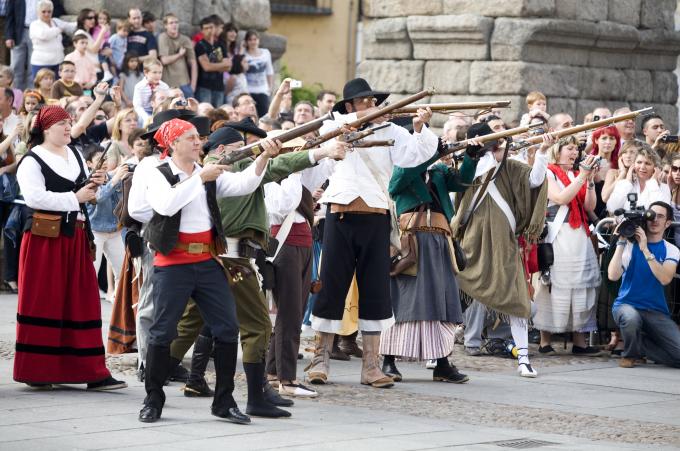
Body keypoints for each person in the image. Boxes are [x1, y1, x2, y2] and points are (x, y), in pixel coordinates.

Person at [137, 117, 280, 424]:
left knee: (227, 329)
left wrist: (264, 157)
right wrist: (201, 179)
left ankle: (224, 401)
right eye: (190, 138)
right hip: (173, 263)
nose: (198, 142)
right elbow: (165, 205)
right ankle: (153, 398)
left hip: (207, 260)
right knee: (163, 332)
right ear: (173, 144)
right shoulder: (158, 172)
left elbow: (245, 184)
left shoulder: (205, 173)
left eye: (197, 137)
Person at [305, 77, 438, 388]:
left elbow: (415, 156)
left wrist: (419, 126)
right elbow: (326, 144)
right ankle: (319, 359)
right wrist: (359, 122)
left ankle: (371, 367)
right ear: (350, 106)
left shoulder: (390, 130)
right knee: (331, 286)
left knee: (376, 289)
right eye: (364, 102)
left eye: (373, 101)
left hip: (376, 215)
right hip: (339, 215)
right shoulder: (335, 124)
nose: (372, 106)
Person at [13, 103, 126, 391]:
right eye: (62, 123)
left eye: (69, 122)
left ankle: (91, 370)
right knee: (45, 301)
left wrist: (95, 186)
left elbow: (83, 194)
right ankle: (38, 370)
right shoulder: (31, 160)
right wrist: (76, 197)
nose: (68, 127)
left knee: (82, 300)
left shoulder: (74, 153)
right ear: (46, 128)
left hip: (75, 235)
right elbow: (35, 198)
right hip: (44, 240)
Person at [450, 122, 556, 378]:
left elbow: (535, 181)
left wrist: (542, 151)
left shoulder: (509, 167)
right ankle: (437, 354)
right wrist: (486, 155)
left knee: (517, 299)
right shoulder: (469, 164)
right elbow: (467, 182)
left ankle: (523, 357)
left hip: (503, 243)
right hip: (472, 241)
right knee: (450, 295)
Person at [379, 142, 478, 383]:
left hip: (439, 240)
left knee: (441, 300)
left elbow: (462, 183)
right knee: (404, 299)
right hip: (410, 242)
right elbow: (395, 186)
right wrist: (432, 154)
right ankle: (388, 360)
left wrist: (471, 157)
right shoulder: (401, 167)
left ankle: (442, 363)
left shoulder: (439, 171)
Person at [533, 136, 602, 356]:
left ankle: (580, 341)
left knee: (580, 285)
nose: (574, 153)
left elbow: (590, 206)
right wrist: (582, 176)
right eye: (569, 148)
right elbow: (560, 198)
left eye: (575, 149)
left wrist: (589, 180)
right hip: (558, 235)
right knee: (553, 284)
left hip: (578, 235)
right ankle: (545, 341)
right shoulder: (549, 171)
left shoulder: (577, 173)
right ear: (558, 150)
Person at [608, 201, 680, 368]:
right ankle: (630, 355)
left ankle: (641, 345)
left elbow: (664, 278)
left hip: (655, 310)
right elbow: (613, 275)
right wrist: (621, 241)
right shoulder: (629, 245)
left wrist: (645, 249)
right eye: (651, 215)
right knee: (631, 318)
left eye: (660, 217)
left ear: (668, 223)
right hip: (626, 305)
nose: (654, 220)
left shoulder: (671, 249)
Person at [607, 143, 670, 214]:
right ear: (633, 165)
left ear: (655, 168)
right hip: (626, 224)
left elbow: (659, 212)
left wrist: (653, 184)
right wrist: (627, 182)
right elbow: (612, 208)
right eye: (639, 162)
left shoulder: (663, 188)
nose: (642, 167)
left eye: (647, 163)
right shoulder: (623, 184)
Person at [28, 0, 75, 80]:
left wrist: (83, 20)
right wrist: (59, 29)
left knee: (57, 89)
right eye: (43, 11)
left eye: (49, 11)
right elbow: (44, 35)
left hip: (58, 62)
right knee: (41, 89)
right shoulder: (34, 24)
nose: (47, 14)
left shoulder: (55, 21)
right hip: (41, 64)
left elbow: (70, 26)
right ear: (38, 12)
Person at [158, 14, 197, 100]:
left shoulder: (185, 39)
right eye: (171, 23)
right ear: (165, 26)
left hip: (185, 84)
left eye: (176, 22)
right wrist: (179, 55)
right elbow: (164, 60)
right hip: (168, 85)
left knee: (188, 112)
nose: (174, 25)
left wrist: (193, 86)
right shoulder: (163, 37)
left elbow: (193, 62)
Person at [195, 17, 230, 107]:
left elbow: (228, 66)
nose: (209, 30)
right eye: (206, 28)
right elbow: (206, 67)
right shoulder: (200, 45)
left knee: (219, 115)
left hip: (219, 87)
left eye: (211, 27)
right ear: (202, 31)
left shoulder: (220, 45)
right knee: (206, 113)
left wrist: (213, 65)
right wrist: (221, 65)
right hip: (204, 87)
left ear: (215, 28)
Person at [243, 30, 273, 118]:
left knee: (264, 114)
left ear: (258, 40)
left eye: (255, 39)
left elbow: (269, 71)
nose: (253, 42)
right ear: (246, 41)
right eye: (250, 40)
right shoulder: (244, 54)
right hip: (249, 90)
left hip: (262, 89)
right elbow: (242, 71)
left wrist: (270, 87)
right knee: (250, 115)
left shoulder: (265, 52)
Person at [132, 58, 168, 125]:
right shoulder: (139, 87)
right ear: (146, 72)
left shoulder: (164, 86)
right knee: (141, 121)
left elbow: (167, 102)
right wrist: (147, 118)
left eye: (160, 72)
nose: (158, 75)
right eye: (154, 72)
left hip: (160, 110)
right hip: (144, 112)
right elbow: (137, 106)